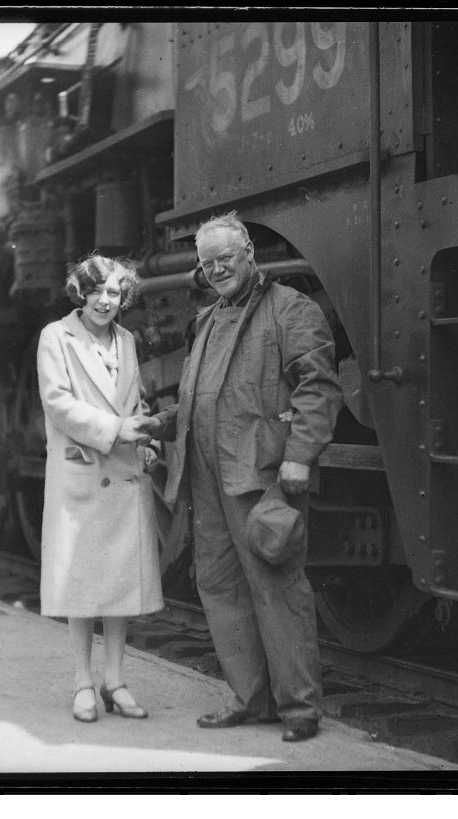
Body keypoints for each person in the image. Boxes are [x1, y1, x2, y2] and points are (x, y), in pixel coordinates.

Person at [140, 212, 343, 743]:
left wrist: (301, 454)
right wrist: (158, 424)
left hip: (261, 474)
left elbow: (317, 388)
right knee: (219, 586)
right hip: (205, 474)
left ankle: (299, 709)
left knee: (277, 584)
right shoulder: (208, 320)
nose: (216, 270)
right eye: (207, 264)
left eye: (225, 259)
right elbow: (195, 401)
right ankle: (250, 700)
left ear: (249, 252)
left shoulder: (290, 310)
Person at [37, 253, 164, 723]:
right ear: (80, 292)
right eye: (97, 291)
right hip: (84, 470)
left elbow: (133, 397)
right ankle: (82, 682)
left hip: (125, 470)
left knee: (118, 585)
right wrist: (117, 429)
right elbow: (57, 402)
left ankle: (115, 680)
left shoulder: (126, 340)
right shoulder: (56, 336)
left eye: (114, 293)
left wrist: (144, 436)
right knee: (81, 584)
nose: (105, 301)